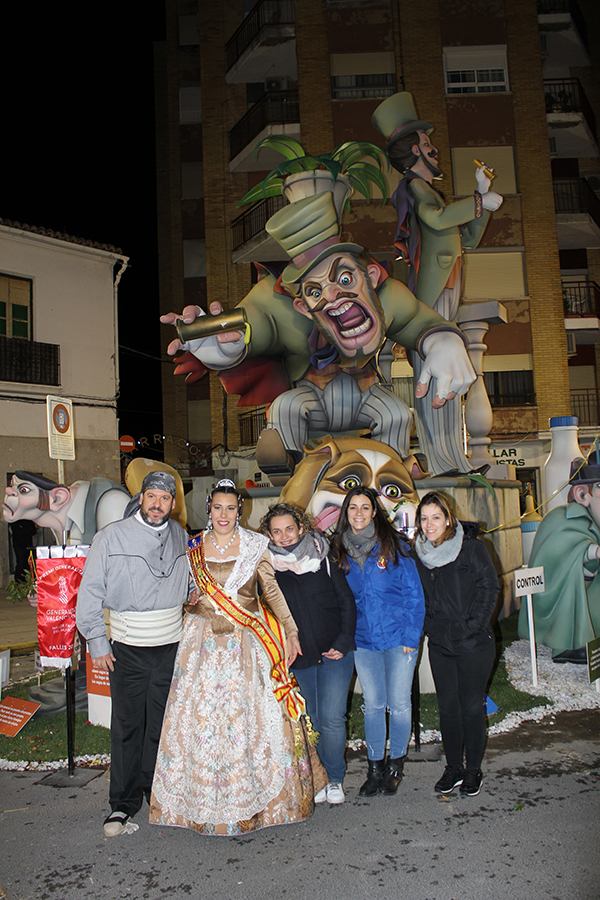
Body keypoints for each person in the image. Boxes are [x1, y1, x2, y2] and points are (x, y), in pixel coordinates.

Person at [161, 189, 475, 482]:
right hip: (313, 398)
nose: (333, 296)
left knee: (396, 413)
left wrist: (444, 340)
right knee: (284, 408)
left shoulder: (387, 297)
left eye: (345, 278)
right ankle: (290, 472)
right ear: (302, 305)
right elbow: (251, 325)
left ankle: (388, 474)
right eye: (314, 291)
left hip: (367, 396)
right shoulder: (278, 304)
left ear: (371, 276)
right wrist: (221, 347)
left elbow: (418, 321)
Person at [149, 480, 327, 835]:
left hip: (246, 642)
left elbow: (271, 591)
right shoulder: (193, 546)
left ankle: (262, 802)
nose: (224, 514)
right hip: (201, 643)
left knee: (250, 718)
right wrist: (191, 604)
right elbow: (182, 588)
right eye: (217, 507)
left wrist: (291, 631)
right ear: (209, 508)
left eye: (230, 508)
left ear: (239, 511)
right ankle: (200, 805)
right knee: (201, 718)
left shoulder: (255, 545)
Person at [372, 92, 503, 475]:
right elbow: (436, 218)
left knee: (445, 377)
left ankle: (454, 460)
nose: (434, 149)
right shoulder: (415, 187)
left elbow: (469, 237)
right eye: (427, 143)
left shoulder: (432, 192)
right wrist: (478, 202)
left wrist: (481, 199)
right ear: (414, 151)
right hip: (431, 292)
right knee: (435, 377)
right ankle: (445, 462)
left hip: (448, 285)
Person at [76, 471, 189, 837]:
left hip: (170, 648)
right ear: (141, 498)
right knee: (127, 727)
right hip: (127, 649)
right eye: (151, 496)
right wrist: (97, 641)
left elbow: (190, 584)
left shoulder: (181, 536)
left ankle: (157, 792)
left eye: (165, 498)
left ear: (173, 503)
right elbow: (90, 592)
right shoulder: (110, 537)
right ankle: (123, 804)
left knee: (161, 725)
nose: (157, 504)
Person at [260, 502, 356, 805]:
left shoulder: (323, 556)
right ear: (269, 535)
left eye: (289, 528)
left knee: (332, 718)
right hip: (298, 657)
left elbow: (346, 602)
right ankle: (318, 777)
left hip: (334, 652)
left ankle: (335, 777)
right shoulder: (267, 569)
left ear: (301, 527)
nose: (284, 536)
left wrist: (343, 642)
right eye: (277, 531)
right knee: (310, 718)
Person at [331, 486, 425, 797]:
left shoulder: (394, 545)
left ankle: (395, 767)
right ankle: (374, 768)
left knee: (398, 705)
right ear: (346, 513)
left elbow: (414, 594)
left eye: (365, 507)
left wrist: (412, 635)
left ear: (374, 512)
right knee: (372, 705)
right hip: (363, 640)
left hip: (399, 639)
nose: (358, 513)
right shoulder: (337, 550)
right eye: (353, 507)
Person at [413, 491, 499, 797]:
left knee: (471, 708)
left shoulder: (470, 547)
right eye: (424, 518)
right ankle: (453, 767)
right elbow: (417, 596)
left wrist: (473, 626)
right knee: (448, 709)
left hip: (473, 643)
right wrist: (429, 627)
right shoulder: (418, 553)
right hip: (440, 644)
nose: (430, 524)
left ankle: (473, 770)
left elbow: (490, 587)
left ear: (448, 519)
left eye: (436, 517)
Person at [518, 458, 600, 663]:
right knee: (570, 585)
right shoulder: (562, 517)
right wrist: (592, 552)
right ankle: (568, 645)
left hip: (592, 595)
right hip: (561, 596)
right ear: (582, 494)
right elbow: (558, 552)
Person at [3, 470, 129, 544]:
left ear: (58, 498)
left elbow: (120, 568)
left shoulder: (112, 503)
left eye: (24, 490)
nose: (9, 491)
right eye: (12, 485)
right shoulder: (58, 519)